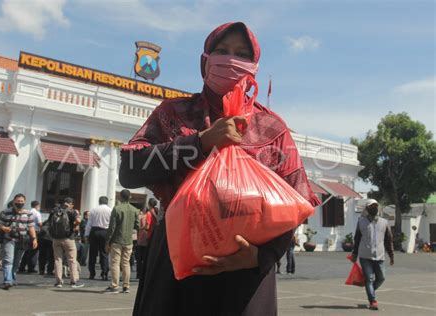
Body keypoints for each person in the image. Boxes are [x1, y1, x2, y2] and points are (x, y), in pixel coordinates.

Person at [119, 22, 320, 315]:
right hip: (176, 271)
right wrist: (200, 142)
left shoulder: (273, 129)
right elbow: (130, 169)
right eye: (222, 51)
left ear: (254, 67)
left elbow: (296, 204)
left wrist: (261, 257)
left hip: (244, 279)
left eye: (241, 54)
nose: (231, 60)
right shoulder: (173, 113)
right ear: (205, 61)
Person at [351, 199, 394, 311]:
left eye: (376, 206)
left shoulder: (384, 222)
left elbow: (388, 240)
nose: (374, 208)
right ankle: (372, 301)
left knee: (381, 278)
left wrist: (391, 255)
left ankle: (370, 290)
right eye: (371, 206)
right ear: (367, 209)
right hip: (365, 256)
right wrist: (354, 254)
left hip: (380, 256)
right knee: (369, 279)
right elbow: (357, 238)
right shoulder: (361, 222)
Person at [0, 194, 38, 290]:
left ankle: (12, 277)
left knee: (17, 261)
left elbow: (31, 227)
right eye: (18, 201)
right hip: (9, 239)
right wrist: (5, 228)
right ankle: (7, 280)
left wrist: (34, 239)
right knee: (8, 259)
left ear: (24, 202)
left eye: (21, 201)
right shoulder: (5, 212)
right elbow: (0, 224)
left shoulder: (28, 214)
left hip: (22, 240)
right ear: (14, 201)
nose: (19, 203)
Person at [104, 190, 139, 294]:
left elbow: (112, 227)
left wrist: (107, 241)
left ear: (120, 197)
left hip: (116, 240)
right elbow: (137, 225)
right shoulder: (134, 210)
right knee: (126, 263)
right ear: (130, 197)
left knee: (115, 262)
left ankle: (115, 285)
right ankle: (126, 286)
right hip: (128, 240)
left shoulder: (117, 209)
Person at [49, 197, 84, 288]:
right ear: (71, 204)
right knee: (72, 260)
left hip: (56, 238)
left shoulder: (55, 210)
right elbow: (78, 221)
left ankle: (58, 281)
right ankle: (74, 281)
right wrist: (75, 225)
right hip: (69, 238)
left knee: (57, 260)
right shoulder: (71, 211)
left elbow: (49, 222)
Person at [85, 196, 112, 280]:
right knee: (104, 253)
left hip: (94, 231)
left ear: (99, 201)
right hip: (105, 231)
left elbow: (89, 223)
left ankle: (92, 273)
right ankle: (104, 273)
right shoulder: (110, 210)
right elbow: (111, 223)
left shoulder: (93, 210)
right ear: (107, 202)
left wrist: (86, 234)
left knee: (92, 253)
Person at [19, 200, 42, 273]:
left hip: (27, 231)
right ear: (37, 206)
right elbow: (39, 223)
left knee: (27, 250)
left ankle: (22, 266)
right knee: (34, 250)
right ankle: (31, 267)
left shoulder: (28, 212)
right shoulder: (37, 213)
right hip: (35, 231)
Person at [136, 209, 148, 277]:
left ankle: (139, 273)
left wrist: (138, 228)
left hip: (141, 240)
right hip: (146, 240)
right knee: (144, 258)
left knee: (139, 259)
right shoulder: (150, 216)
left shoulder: (143, 217)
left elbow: (143, 226)